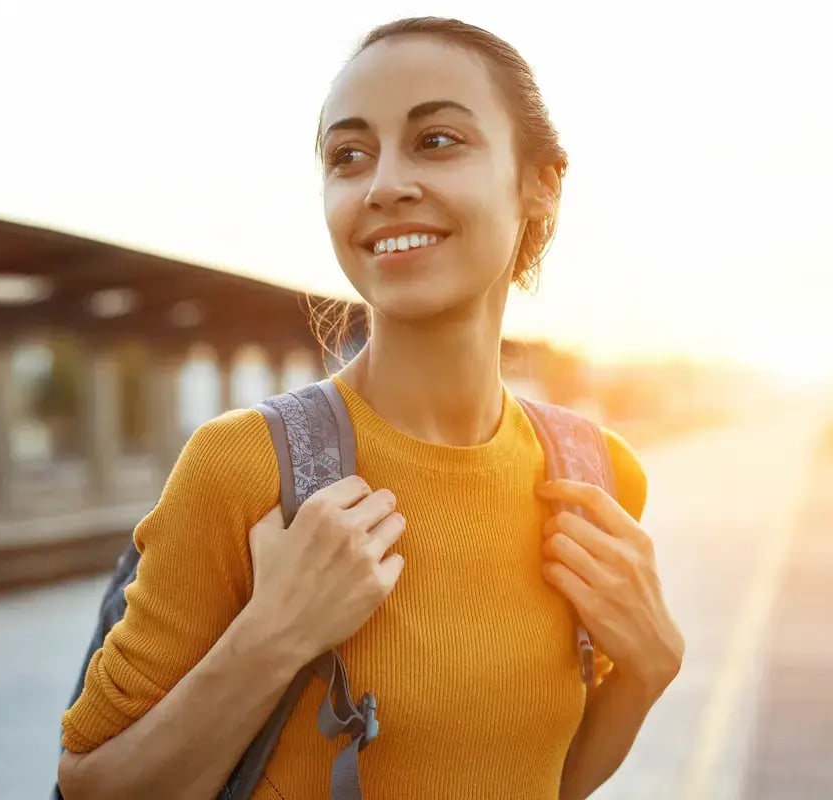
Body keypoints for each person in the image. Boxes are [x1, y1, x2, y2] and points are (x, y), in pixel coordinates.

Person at [57, 17, 684, 800]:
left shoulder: (597, 477)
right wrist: (273, 637)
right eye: (348, 157)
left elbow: (538, 781)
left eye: (438, 141)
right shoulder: (242, 468)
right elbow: (91, 787)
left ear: (541, 181)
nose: (384, 184)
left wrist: (647, 672)